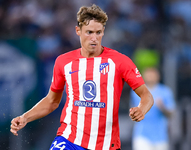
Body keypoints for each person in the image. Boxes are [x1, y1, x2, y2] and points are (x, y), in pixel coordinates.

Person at [10, 4, 154, 150]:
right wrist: (25, 118)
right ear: (78, 31)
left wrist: (141, 109)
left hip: (105, 145)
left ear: (103, 31)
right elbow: (52, 101)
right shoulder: (64, 61)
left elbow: (147, 96)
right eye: (89, 32)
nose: (94, 38)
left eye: (98, 32)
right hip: (69, 140)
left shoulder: (120, 61)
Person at [130, 67, 176, 150]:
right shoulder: (136, 92)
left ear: (157, 76)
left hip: (160, 136)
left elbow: (171, 113)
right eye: (148, 74)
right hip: (142, 135)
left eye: (152, 74)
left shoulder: (165, 91)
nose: (150, 77)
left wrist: (162, 107)